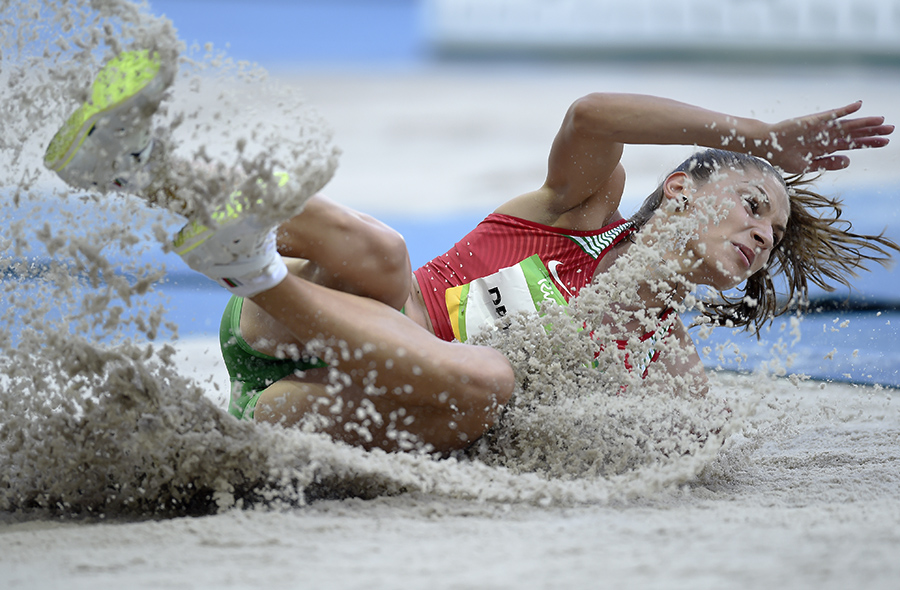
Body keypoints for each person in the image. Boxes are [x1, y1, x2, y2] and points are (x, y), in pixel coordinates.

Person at [44, 50, 897, 455]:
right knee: (381, 251)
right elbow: (594, 113)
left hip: (319, 412)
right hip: (290, 324)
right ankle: (141, 158)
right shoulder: (579, 211)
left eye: (773, 234)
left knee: (488, 382)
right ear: (679, 188)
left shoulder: (667, 364)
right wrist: (759, 135)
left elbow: (669, 451)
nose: (760, 232)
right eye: (753, 203)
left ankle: (246, 258)